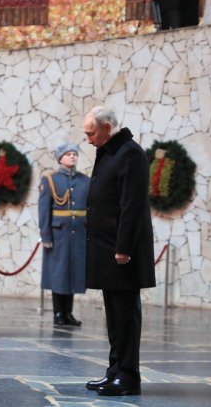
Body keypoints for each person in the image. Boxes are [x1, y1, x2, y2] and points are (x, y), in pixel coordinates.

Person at [82, 106, 156, 396]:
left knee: (125, 315)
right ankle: (114, 371)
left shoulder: (130, 153)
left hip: (122, 251)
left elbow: (132, 204)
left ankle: (128, 377)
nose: (88, 139)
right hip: (106, 248)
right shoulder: (110, 152)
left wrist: (123, 247)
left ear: (108, 127)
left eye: (91, 132)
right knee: (114, 315)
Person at [38, 143, 90, 326]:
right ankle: (58, 313)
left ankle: (68, 313)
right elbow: (44, 210)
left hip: (79, 234)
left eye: (74, 154)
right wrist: (45, 235)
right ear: (60, 158)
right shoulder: (50, 180)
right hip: (58, 234)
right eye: (68, 154)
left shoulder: (85, 180)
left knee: (74, 273)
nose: (72, 157)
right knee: (59, 274)